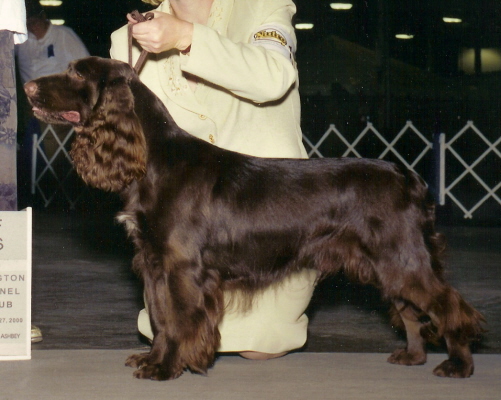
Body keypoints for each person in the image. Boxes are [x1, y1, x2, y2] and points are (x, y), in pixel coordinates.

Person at [110, 0, 318, 360]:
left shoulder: (264, 7)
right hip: (184, 247)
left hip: (268, 238)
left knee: (259, 347)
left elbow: (273, 78)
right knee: (174, 332)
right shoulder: (127, 39)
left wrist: (188, 37)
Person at [16, 0, 90, 161]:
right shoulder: (21, 41)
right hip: (28, 104)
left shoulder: (63, 35)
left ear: (43, 17)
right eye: (27, 23)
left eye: (34, 21)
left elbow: (85, 69)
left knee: (50, 144)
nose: (31, 27)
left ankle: (56, 176)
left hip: (57, 102)